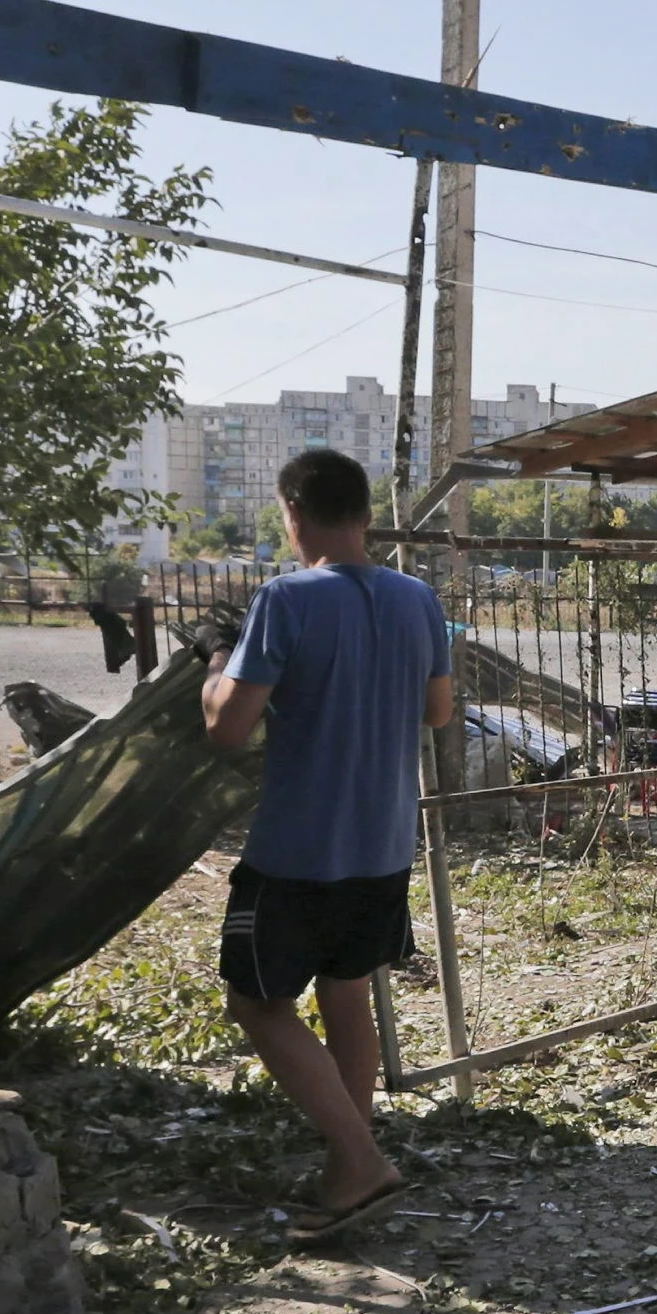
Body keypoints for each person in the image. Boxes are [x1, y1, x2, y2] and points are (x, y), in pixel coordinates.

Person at [201, 446, 454, 1244]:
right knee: (347, 994)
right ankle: (350, 1163)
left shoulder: (286, 599)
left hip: (297, 854)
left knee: (256, 1002)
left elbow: (227, 727)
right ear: (366, 516)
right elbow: (440, 713)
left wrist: (216, 665)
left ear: (293, 514)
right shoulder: (419, 599)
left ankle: (361, 1156)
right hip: (383, 844)